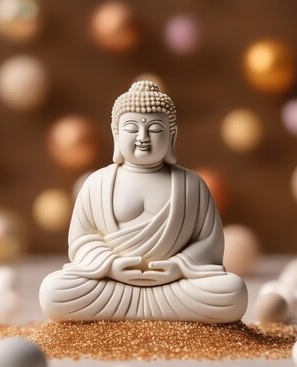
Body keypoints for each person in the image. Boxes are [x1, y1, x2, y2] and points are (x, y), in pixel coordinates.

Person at [39, 80, 248, 323]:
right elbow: (81, 240)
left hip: (174, 285)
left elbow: (209, 243)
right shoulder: (96, 183)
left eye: (155, 130)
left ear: (172, 135)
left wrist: (179, 266)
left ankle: (128, 313)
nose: (143, 138)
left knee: (233, 292)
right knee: (53, 291)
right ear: (116, 134)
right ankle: (158, 313)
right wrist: (110, 266)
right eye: (131, 128)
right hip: (112, 284)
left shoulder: (193, 185)